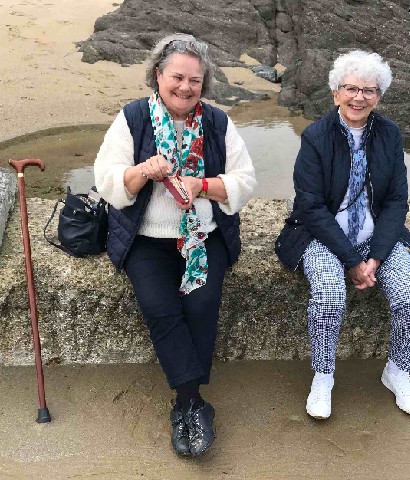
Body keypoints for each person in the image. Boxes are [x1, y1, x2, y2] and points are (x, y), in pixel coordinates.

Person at [94, 33, 256, 456]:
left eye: (195, 80)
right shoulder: (132, 119)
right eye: (177, 77)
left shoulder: (219, 123)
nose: (185, 87)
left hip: (204, 237)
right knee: (161, 308)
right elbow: (109, 181)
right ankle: (192, 402)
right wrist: (141, 172)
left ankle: (186, 404)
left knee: (201, 307)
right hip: (146, 239)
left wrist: (200, 184)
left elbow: (245, 181)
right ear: (157, 75)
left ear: (205, 85)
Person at [275, 50, 410, 420]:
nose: (359, 97)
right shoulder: (315, 136)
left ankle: (397, 370)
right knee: (329, 297)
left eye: (369, 90)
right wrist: (353, 260)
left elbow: (396, 200)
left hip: (377, 239)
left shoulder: (390, 134)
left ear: (379, 96)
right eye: (351, 88)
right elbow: (310, 207)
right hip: (322, 236)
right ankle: (323, 376)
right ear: (336, 93)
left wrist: (374, 256)